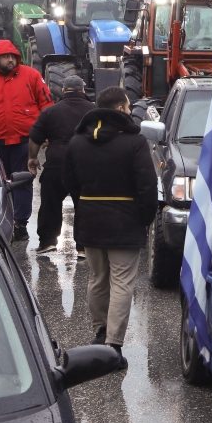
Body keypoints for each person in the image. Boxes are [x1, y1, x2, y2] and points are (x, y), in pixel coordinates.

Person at [62, 86, 157, 365]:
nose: (130, 111)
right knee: (122, 283)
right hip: (125, 222)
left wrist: (84, 205)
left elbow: (69, 182)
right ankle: (113, 345)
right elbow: (147, 186)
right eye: (128, 107)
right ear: (119, 109)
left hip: (90, 219)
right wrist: (145, 218)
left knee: (97, 278)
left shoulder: (77, 141)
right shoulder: (135, 142)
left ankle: (99, 331)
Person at [0, 39, 53, 241]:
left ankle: (20, 224)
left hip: (25, 141)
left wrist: (48, 131)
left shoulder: (32, 76)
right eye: (5, 57)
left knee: (23, 182)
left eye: (12, 57)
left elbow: (46, 104)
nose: (10, 61)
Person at [27, 75, 96, 254]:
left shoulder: (50, 111)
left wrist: (33, 158)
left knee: (50, 202)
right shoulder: (94, 111)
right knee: (84, 205)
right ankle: (83, 247)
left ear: (63, 91)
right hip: (85, 165)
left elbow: (35, 137)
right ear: (83, 90)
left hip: (56, 164)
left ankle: (48, 241)